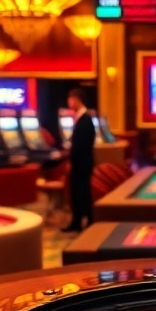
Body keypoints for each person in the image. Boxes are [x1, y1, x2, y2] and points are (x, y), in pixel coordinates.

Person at [63, 87, 96, 233]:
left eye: (70, 99)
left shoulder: (85, 119)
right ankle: (79, 221)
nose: (69, 103)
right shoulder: (82, 118)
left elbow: (81, 145)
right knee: (80, 192)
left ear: (76, 99)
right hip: (82, 162)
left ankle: (84, 221)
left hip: (81, 163)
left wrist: (71, 160)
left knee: (81, 192)